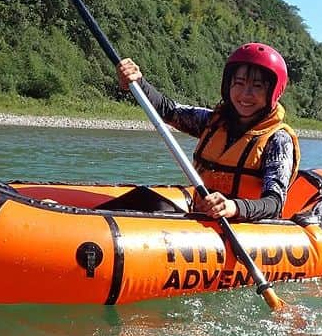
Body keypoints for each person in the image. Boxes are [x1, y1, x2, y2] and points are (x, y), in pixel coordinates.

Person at [113, 43, 300, 222]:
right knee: (143, 198)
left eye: (257, 86)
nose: (245, 94)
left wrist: (233, 207)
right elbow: (168, 110)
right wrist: (137, 82)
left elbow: (274, 203)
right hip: (202, 223)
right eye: (239, 83)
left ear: (273, 91)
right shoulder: (212, 121)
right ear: (229, 85)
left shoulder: (278, 140)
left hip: (245, 230)